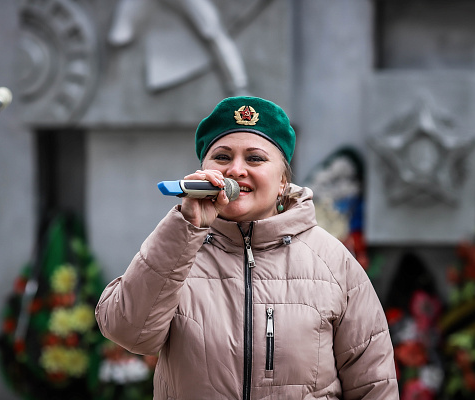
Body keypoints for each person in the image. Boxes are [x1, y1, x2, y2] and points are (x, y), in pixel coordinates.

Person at [95, 96, 399, 399]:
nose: (236, 170)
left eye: (255, 159)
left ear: (282, 181)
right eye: (222, 157)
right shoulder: (178, 248)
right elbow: (127, 331)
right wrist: (184, 227)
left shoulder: (333, 261)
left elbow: (374, 385)